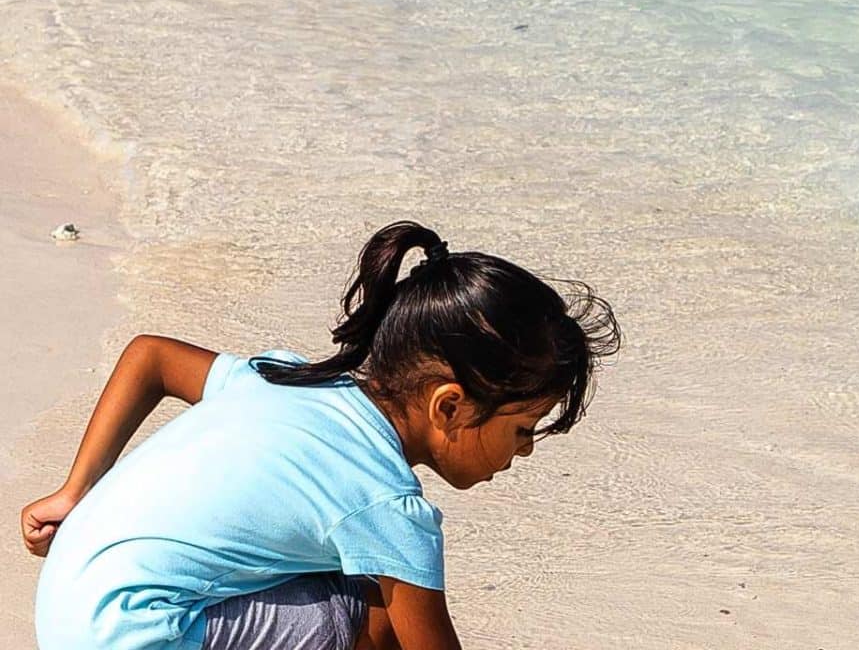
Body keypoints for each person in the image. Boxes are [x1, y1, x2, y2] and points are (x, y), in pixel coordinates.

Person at [20, 220, 620, 649]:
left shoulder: (289, 381)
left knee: (345, 574)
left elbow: (149, 355)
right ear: (450, 406)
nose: (526, 448)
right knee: (380, 617)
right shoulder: (386, 507)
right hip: (137, 636)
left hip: (69, 604)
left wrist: (75, 492)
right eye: (521, 427)